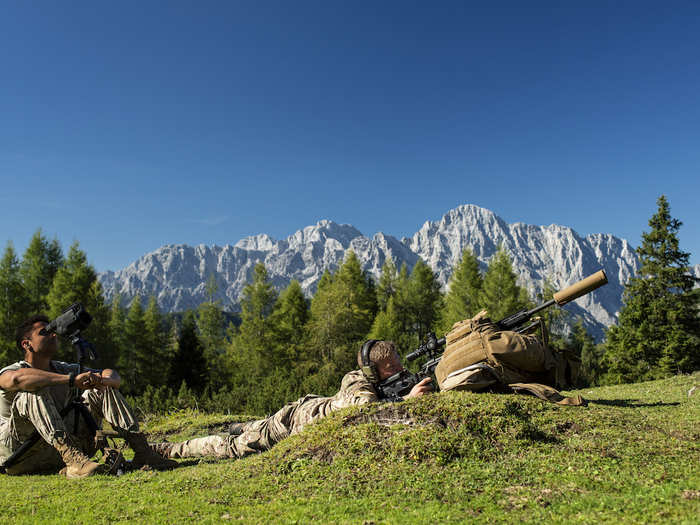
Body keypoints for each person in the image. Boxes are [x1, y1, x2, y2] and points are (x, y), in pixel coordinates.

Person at [152, 340, 433, 460]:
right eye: (391, 368)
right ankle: (168, 449)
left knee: (250, 427)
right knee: (230, 448)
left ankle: (240, 424)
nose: (398, 370)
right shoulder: (356, 382)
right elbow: (365, 412)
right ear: (372, 371)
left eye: (398, 364)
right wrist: (407, 400)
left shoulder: (387, 380)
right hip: (288, 425)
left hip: (303, 410)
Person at [0, 314, 177, 478]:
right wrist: (71, 380)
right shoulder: (11, 371)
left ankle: (143, 452)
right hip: (20, 455)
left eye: (54, 331)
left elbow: (113, 376)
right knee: (32, 391)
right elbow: (17, 379)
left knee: (100, 389)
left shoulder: (61, 368)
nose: (54, 335)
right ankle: (73, 461)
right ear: (26, 344)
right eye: (44, 332)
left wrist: (101, 381)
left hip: (57, 452)